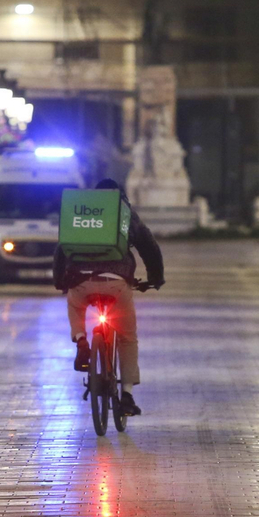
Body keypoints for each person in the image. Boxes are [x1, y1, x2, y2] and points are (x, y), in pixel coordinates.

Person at [53, 178, 164, 416]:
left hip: (80, 279)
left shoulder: (81, 213)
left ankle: (81, 338)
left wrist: (60, 280)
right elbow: (148, 246)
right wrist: (156, 278)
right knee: (127, 337)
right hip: (116, 283)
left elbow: (62, 248)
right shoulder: (125, 214)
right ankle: (127, 395)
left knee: (75, 303)